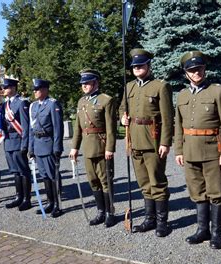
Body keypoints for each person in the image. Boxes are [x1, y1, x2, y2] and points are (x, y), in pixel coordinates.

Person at [174, 51, 221, 249]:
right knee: (197, 192)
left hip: (212, 151)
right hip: (189, 151)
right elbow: (178, 125)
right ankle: (202, 230)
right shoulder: (182, 95)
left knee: (215, 192)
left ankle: (217, 233)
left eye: (199, 68)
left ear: (204, 69)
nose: (196, 72)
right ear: (186, 74)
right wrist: (178, 151)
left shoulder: (217, 91)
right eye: (191, 70)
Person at [119, 48, 174, 237]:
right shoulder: (129, 87)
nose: (137, 68)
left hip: (153, 140)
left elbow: (168, 118)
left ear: (149, 66)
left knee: (157, 182)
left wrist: (165, 142)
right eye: (134, 66)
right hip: (134, 141)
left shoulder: (160, 86)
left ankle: (162, 223)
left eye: (141, 65)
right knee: (144, 183)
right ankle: (149, 219)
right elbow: (122, 109)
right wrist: (122, 118)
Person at [69, 69, 117, 227]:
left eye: (87, 83)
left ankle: (110, 212)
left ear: (96, 82)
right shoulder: (81, 102)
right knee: (93, 181)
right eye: (82, 83)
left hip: (101, 146)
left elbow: (111, 128)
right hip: (87, 148)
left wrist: (110, 148)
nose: (84, 86)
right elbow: (77, 128)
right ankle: (100, 212)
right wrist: (74, 148)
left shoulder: (106, 100)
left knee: (106, 181)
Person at [29, 78, 64, 218]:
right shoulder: (34, 106)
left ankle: (57, 205)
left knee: (53, 176)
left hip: (49, 144)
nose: (35, 92)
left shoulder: (52, 104)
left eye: (37, 89)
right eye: (34, 90)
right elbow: (32, 129)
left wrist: (57, 148)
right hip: (38, 145)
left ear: (44, 89)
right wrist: (31, 148)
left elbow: (58, 128)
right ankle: (50, 202)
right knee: (44, 176)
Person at [1, 78, 32, 211]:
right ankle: (18, 197)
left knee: (23, 171)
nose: (3, 89)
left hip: (18, 141)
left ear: (13, 88)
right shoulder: (4, 105)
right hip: (8, 141)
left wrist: (25, 145)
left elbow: (25, 127)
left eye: (6, 87)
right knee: (15, 172)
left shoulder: (22, 103)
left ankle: (27, 199)